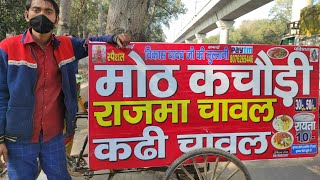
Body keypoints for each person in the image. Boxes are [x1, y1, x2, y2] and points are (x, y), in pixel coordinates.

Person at [0, 0, 131, 179]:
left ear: (56, 18)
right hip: (18, 138)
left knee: (60, 176)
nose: (41, 15)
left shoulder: (67, 45)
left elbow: (91, 43)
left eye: (48, 11)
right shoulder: (7, 48)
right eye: (36, 10)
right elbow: (1, 96)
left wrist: (114, 38)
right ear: (26, 15)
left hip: (54, 136)